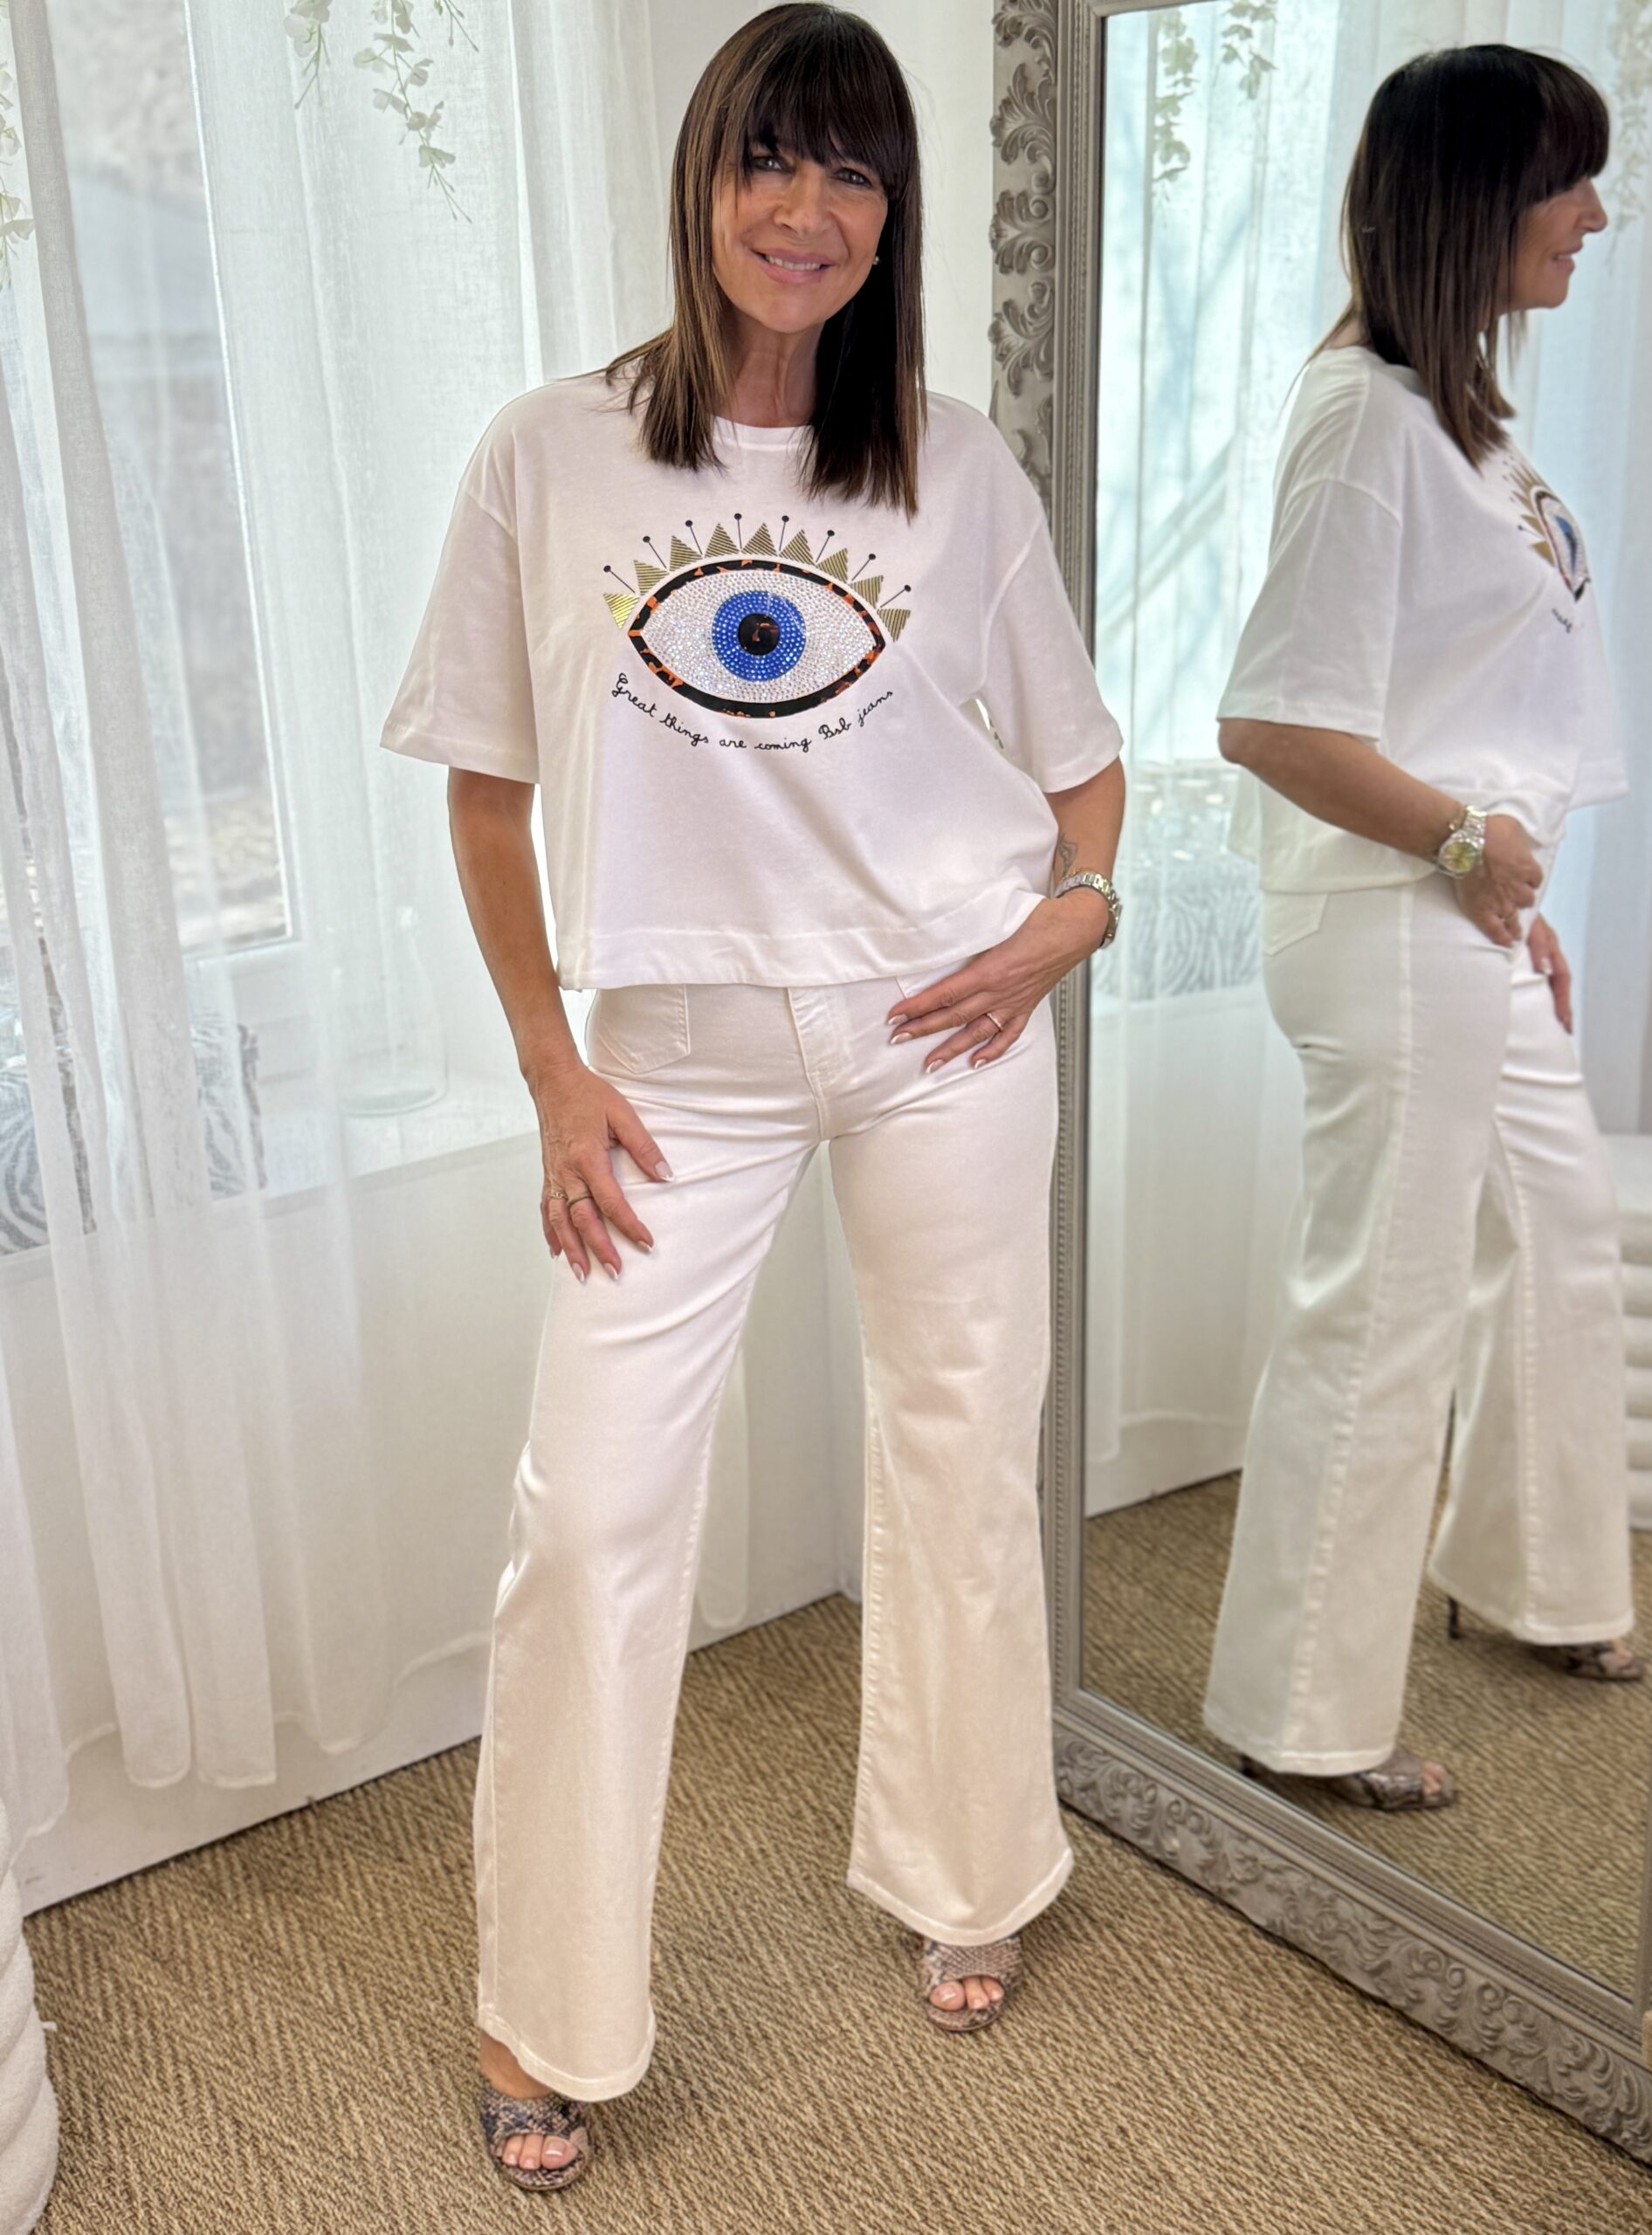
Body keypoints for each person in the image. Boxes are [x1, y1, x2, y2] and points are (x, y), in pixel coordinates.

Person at [379, 5, 1125, 2191]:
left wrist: (1071, 917)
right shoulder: (552, 455)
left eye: (854, 172)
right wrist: (553, 1067)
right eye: (768, 162)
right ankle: (543, 2003)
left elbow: (1085, 772)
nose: (808, 211)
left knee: (963, 1447)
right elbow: (488, 789)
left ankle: (967, 1862)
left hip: (940, 1032)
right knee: (593, 1516)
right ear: (703, 181)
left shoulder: (956, 469)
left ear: (895, 214)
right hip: (672, 1066)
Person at [1201, 44, 1642, 1816]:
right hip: (1393, 915)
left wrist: (1506, 881)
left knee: (1561, 1231)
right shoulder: (1368, 419)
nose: (1596, 216)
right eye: (1567, 183)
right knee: (1380, 1306)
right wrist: (1464, 842)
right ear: (1475, 199)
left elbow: (1472, 694)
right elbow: (1270, 718)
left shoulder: (1466, 421)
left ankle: (1537, 1576)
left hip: (1465, 917)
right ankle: (1301, 1708)